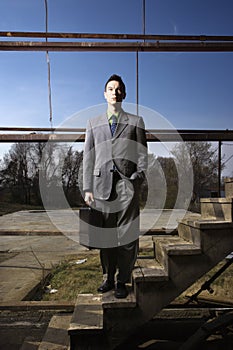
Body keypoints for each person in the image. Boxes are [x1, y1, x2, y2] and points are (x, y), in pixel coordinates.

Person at [83, 74, 148, 298]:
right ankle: (108, 278)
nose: (115, 92)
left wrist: (137, 178)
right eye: (111, 89)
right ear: (104, 94)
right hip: (101, 187)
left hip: (127, 186)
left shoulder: (136, 121)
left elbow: (142, 154)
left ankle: (123, 280)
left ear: (124, 94)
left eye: (118, 89)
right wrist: (87, 188)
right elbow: (88, 157)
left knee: (127, 237)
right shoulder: (93, 123)